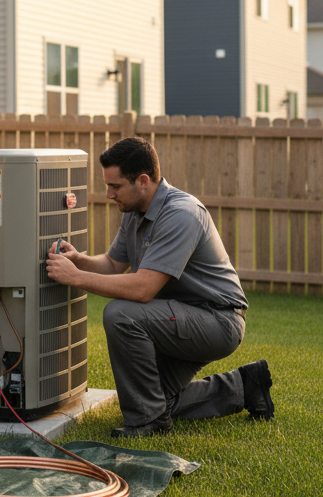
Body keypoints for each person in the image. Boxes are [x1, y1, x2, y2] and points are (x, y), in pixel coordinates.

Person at [45, 136, 274, 437]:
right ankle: (246, 385)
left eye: (115, 186)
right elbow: (114, 265)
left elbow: (143, 289)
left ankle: (147, 422)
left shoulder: (181, 214)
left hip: (217, 319)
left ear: (142, 181)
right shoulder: (135, 212)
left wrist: (75, 278)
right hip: (177, 315)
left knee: (121, 314)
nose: (108, 194)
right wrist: (79, 261)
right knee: (159, 398)